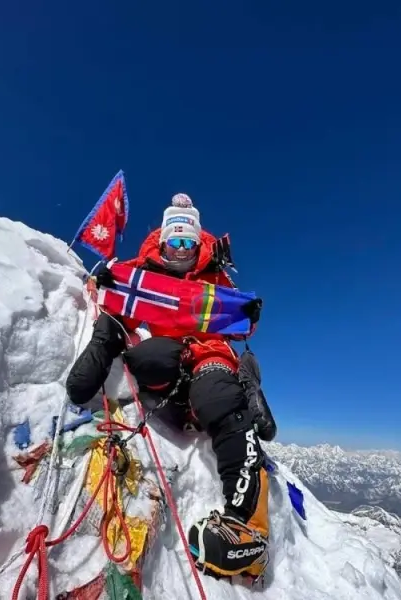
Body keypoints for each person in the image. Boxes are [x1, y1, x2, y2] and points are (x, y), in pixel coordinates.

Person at [65, 193, 270, 583]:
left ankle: (244, 523)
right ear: (161, 240)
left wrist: (248, 314)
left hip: (209, 352)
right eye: (174, 241)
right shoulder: (140, 271)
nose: (180, 250)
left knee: (220, 396)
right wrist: (101, 281)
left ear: (197, 242)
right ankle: (189, 406)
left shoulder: (214, 275)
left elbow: (237, 316)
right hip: (169, 357)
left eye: (187, 242)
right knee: (150, 357)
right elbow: (108, 284)